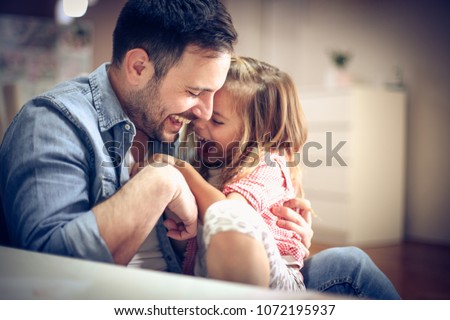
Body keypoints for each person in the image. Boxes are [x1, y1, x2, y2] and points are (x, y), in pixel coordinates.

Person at [0, 0, 399, 300]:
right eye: (194, 92)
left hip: (195, 279)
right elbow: (48, 280)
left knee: (348, 264)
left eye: (212, 95)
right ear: (139, 67)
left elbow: (238, 207)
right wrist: (161, 182)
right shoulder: (52, 125)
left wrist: (279, 234)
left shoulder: (167, 120)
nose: (204, 113)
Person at [152, 56, 309, 292]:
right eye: (203, 112)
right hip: (212, 276)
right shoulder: (210, 161)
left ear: (258, 131)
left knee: (228, 215)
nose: (200, 123)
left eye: (216, 120)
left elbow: (229, 211)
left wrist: (179, 168)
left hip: (278, 284)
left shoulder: (268, 164)